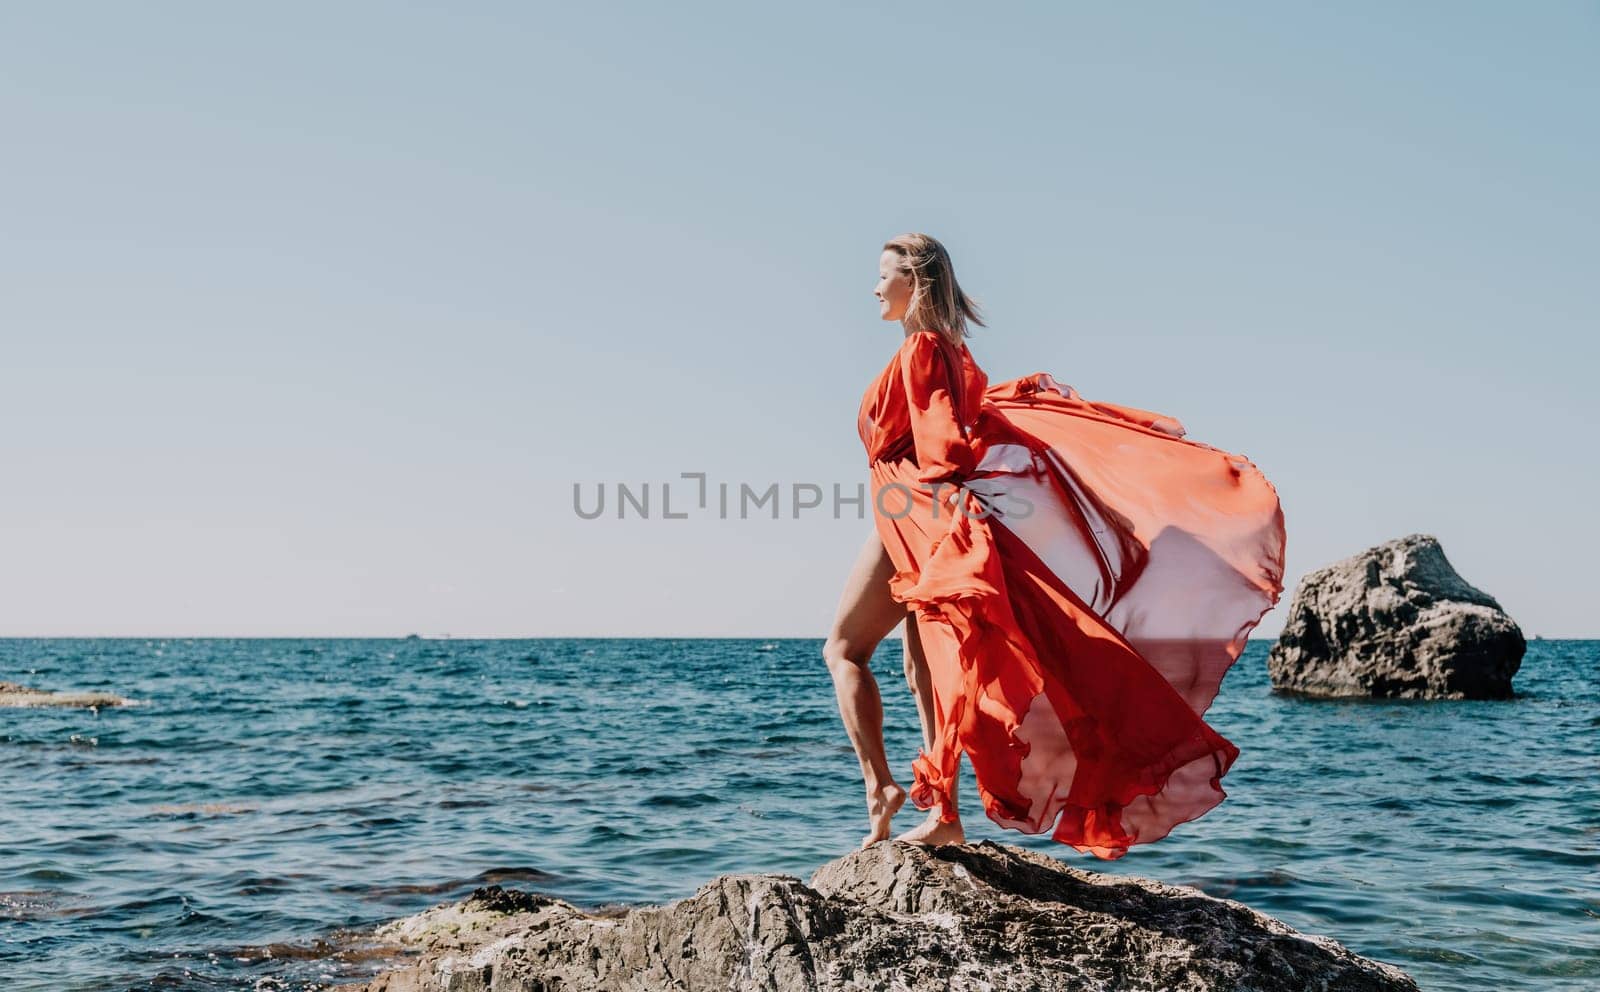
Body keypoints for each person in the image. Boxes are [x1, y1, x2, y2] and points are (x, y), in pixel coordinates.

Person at [822, 233, 1286, 858]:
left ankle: (885, 790)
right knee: (926, 666)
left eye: (884, 276)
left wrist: (947, 502)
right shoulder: (955, 353)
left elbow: (944, 445)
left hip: (914, 509)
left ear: (916, 283)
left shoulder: (922, 349)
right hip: (911, 513)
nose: (875, 288)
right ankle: (943, 812)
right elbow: (961, 424)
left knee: (846, 650)